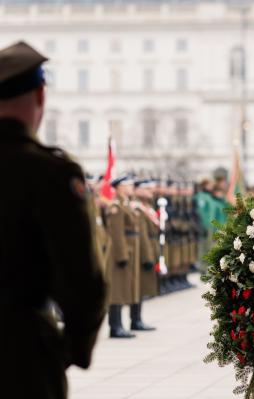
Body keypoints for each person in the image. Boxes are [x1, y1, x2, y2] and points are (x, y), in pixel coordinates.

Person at [0, 40, 106, 398]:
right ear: (40, 96)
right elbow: (82, 281)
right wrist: (72, 348)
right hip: (19, 353)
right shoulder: (48, 172)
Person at [106, 174, 140, 338]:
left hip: (127, 250)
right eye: (128, 185)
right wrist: (121, 255)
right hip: (119, 252)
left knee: (122, 288)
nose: (131, 187)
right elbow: (117, 233)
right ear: (119, 187)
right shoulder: (116, 206)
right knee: (116, 290)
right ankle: (115, 326)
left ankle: (119, 325)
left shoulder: (125, 204)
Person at [130, 179, 159, 331]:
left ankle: (138, 318)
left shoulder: (147, 206)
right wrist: (147, 255)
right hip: (142, 251)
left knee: (142, 287)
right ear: (137, 190)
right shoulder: (137, 208)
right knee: (139, 287)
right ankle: (135, 320)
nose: (150, 191)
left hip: (150, 247)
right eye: (146, 188)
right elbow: (142, 235)